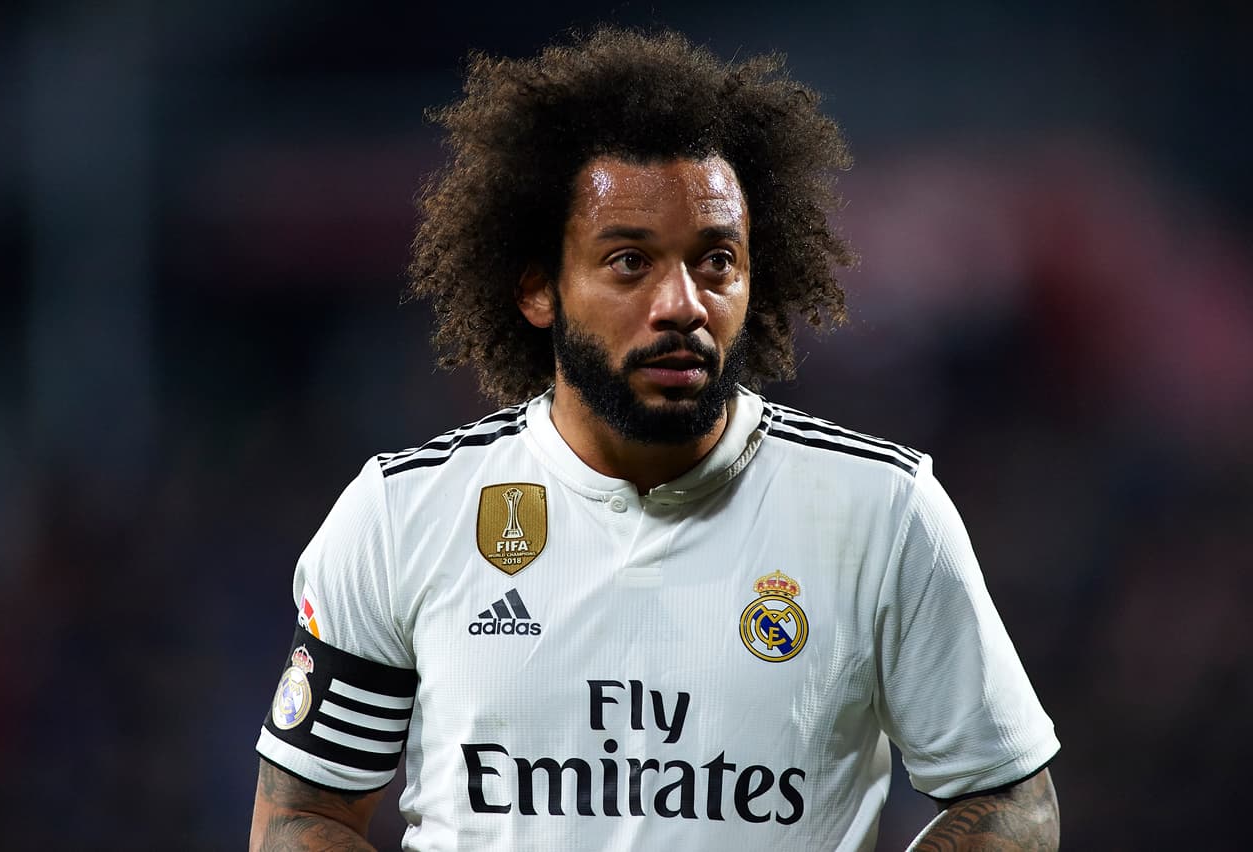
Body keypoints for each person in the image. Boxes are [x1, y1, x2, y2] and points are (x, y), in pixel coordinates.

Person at [250, 27, 1060, 851]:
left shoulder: (882, 512)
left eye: (716, 261)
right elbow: (301, 814)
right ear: (538, 288)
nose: (682, 304)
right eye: (630, 262)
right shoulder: (403, 515)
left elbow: (1012, 802)